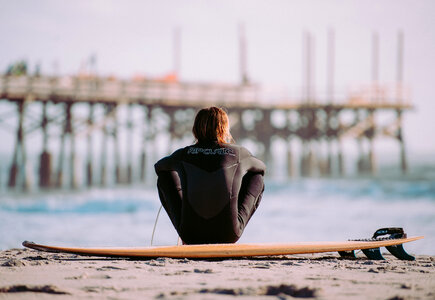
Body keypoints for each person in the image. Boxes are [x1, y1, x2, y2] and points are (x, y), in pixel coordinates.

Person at [154, 107, 266, 244]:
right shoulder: (238, 153)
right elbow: (261, 168)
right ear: (224, 128)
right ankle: (232, 220)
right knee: (257, 177)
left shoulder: (184, 154)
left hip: (190, 235)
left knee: (164, 177)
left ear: (195, 129)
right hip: (228, 235)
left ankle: (185, 229)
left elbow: (159, 167)